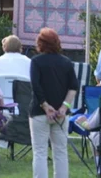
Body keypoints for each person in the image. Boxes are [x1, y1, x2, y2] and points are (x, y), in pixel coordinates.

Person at [29, 28, 78, 178]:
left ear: (40, 44)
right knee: (61, 152)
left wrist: (45, 106)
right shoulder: (66, 62)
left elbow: (35, 86)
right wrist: (64, 107)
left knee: (40, 152)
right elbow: (73, 87)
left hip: (39, 113)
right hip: (61, 115)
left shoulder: (36, 62)